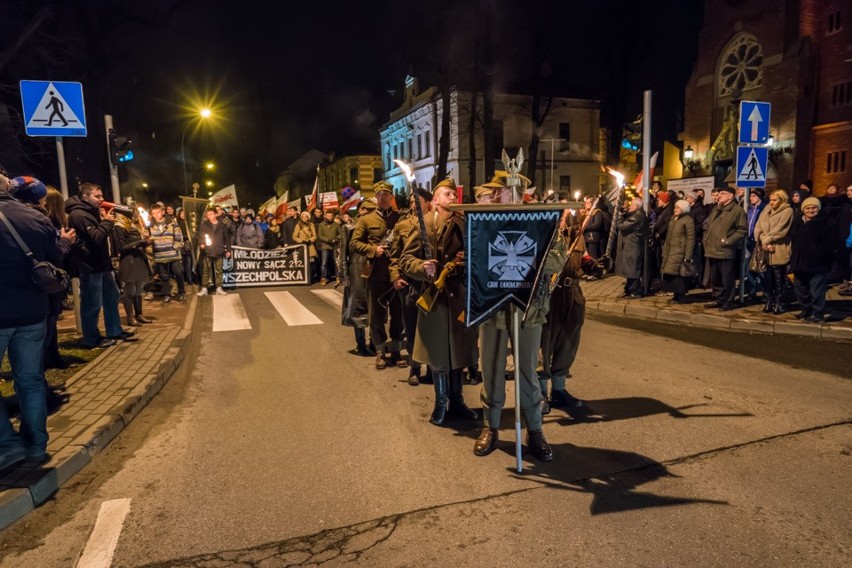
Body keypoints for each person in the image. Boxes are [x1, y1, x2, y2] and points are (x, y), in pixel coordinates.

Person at [472, 174, 564, 462]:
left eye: (515, 191)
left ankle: (534, 429)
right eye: (504, 191)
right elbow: (475, 256)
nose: (509, 196)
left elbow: (557, 260)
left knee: (527, 370)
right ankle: (491, 426)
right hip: (493, 304)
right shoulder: (486, 223)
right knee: (491, 367)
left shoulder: (543, 223)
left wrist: (533, 254)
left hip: (529, 308)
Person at [0, 168, 75, 468]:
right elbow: (52, 261)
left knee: (29, 381)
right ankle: (36, 446)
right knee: (30, 380)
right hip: (33, 312)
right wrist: (64, 245)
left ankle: (7, 445)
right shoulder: (36, 217)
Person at [400, 179, 478, 424]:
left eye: (454, 193)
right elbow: (405, 259)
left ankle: (458, 401)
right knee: (437, 355)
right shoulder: (424, 224)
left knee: (458, 352)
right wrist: (422, 267)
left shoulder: (463, 224)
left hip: (458, 295)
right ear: (435, 200)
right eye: (447, 193)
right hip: (433, 298)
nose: (452, 196)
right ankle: (441, 402)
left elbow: (476, 256)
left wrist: (467, 261)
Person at [65, 183, 135, 348]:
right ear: (85, 197)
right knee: (92, 304)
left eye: (101, 196)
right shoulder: (78, 214)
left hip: (102, 264)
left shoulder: (91, 212)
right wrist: (107, 223)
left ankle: (114, 330)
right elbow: (95, 238)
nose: (102, 199)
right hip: (90, 266)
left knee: (112, 298)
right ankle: (91, 338)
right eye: (97, 196)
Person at [350, 181, 405, 370]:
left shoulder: (400, 218)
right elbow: (354, 243)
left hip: (396, 274)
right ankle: (381, 351)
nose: (383, 197)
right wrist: (374, 249)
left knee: (398, 314)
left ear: (391, 197)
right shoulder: (366, 220)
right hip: (376, 274)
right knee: (376, 315)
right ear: (376, 197)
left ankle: (396, 350)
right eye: (380, 194)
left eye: (386, 194)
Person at [539, 203, 586, 414]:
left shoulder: (576, 235)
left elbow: (583, 260)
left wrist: (596, 264)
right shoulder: (544, 235)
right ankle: (540, 393)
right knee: (543, 346)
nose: (568, 215)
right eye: (564, 212)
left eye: (568, 212)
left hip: (573, 295)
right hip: (550, 296)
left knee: (568, 344)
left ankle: (558, 390)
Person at [389, 189, 431, 385]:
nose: (414, 205)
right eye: (412, 201)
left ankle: (432, 367)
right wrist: (396, 277)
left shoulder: (436, 222)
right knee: (412, 328)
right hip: (410, 284)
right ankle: (414, 368)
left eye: (418, 201)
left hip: (432, 285)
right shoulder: (403, 225)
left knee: (432, 328)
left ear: (428, 203)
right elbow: (395, 255)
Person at [789, 197, 834, 323]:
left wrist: (822, 254)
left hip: (818, 264)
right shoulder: (798, 221)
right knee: (800, 289)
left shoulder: (826, 222)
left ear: (818, 209)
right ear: (803, 209)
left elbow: (831, 242)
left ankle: (817, 314)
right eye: (807, 208)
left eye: (814, 208)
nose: (810, 210)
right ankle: (806, 310)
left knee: (817, 291)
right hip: (799, 262)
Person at [703, 186, 747, 311]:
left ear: (730, 196)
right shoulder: (716, 209)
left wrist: (728, 241)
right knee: (715, 277)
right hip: (712, 248)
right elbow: (708, 226)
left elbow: (742, 230)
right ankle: (718, 299)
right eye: (719, 193)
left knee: (727, 278)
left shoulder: (737, 210)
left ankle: (728, 301)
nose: (719, 195)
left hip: (725, 250)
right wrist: (706, 240)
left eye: (722, 193)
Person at [340, 202, 373, 356]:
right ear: (360, 210)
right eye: (366, 209)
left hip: (373, 269)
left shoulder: (377, 226)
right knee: (356, 308)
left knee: (375, 308)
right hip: (356, 271)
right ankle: (360, 343)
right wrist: (344, 275)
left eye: (372, 210)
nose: (368, 213)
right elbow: (343, 253)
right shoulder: (348, 228)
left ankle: (375, 343)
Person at [754, 190, 793, 314]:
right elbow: (759, 226)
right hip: (766, 247)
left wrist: (768, 240)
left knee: (779, 277)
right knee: (767, 277)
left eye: (775, 200)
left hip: (779, 247)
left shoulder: (787, 211)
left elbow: (781, 229)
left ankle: (779, 302)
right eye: (770, 200)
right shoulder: (766, 209)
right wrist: (763, 241)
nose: (772, 202)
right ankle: (769, 300)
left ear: (782, 200)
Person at [113, 207, 152, 326]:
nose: (134, 215)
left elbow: (137, 241)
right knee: (129, 290)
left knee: (139, 290)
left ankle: (139, 314)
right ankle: (130, 317)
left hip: (138, 259)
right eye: (132, 213)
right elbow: (121, 247)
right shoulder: (118, 227)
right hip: (129, 261)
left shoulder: (133, 227)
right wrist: (139, 242)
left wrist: (145, 241)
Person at [148, 203, 186, 303]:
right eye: (154, 213)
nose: (156, 215)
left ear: (163, 212)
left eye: (158, 212)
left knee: (178, 273)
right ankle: (167, 294)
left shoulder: (172, 223)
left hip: (173, 254)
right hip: (160, 255)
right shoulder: (150, 225)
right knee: (164, 276)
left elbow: (179, 238)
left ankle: (181, 293)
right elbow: (146, 239)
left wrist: (174, 247)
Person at [661, 200, 696, 304]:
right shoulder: (673, 219)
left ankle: (681, 296)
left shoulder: (688, 220)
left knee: (679, 274)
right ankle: (676, 295)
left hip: (680, 251)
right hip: (671, 250)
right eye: (675, 207)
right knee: (672, 274)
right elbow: (669, 237)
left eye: (678, 208)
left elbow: (691, 239)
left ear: (684, 209)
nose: (675, 209)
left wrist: (688, 256)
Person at [614, 197, 647, 297]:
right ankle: (629, 289)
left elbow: (622, 226)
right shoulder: (636, 214)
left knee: (632, 269)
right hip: (630, 245)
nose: (629, 207)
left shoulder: (637, 216)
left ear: (636, 206)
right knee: (629, 269)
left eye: (631, 205)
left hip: (633, 246)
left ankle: (634, 291)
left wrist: (619, 216)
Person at [197, 207, 231, 296]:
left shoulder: (222, 225)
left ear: (216, 214)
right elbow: (201, 236)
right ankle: (204, 288)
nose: (209, 216)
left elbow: (227, 238)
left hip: (219, 250)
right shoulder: (204, 225)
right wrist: (201, 243)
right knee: (206, 270)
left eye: (211, 214)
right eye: (207, 214)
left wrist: (228, 250)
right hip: (207, 251)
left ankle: (219, 287)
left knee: (219, 270)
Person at [316, 209, 340, 285]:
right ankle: (323, 277)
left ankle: (338, 277)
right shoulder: (321, 225)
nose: (329, 217)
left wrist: (336, 239)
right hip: (325, 245)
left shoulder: (336, 225)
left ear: (332, 216)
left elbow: (341, 234)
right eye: (328, 216)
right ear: (325, 216)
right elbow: (320, 235)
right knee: (324, 263)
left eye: (331, 216)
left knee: (336, 262)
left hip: (335, 246)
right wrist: (328, 240)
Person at [293, 211, 318, 281]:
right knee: (303, 262)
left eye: (306, 217)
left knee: (311, 262)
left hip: (310, 246)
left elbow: (314, 236)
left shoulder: (311, 225)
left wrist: (310, 240)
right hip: (302, 246)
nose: (304, 218)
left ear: (308, 217)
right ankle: (303, 277)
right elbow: (294, 236)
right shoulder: (298, 225)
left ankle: (310, 277)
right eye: (303, 217)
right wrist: (301, 241)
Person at [581, 195, 606, 260]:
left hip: (593, 238)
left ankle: (594, 269)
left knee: (592, 256)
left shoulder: (597, 212)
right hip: (585, 238)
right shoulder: (585, 213)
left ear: (593, 203)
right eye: (586, 202)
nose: (587, 204)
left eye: (589, 202)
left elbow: (597, 225)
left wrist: (584, 228)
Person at [175, 208, 195, 286]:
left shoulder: (190, 223)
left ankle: (189, 279)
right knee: (183, 263)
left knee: (189, 263)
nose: (183, 215)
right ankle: (184, 279)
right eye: (181, 214)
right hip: (182, 245)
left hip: (188, 246)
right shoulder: (178, 224)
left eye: (184, 214)